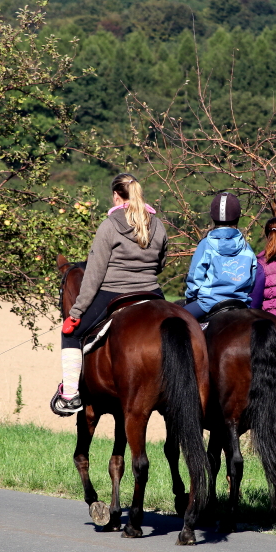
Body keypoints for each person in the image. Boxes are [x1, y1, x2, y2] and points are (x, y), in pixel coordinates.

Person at [52, 173, 167, 414]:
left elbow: (93, 276)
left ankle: (70, 395)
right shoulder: (158, 225)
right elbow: (160, 264)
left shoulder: (109, 226)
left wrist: (76, 313)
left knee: (71, 334)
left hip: (114, 293)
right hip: (153, 293)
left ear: (116, 196)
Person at [182, 192, 257, 319]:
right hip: (240, 303)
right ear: (238, 216)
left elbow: (195, 278)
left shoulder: (205, 245)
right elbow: (252, 280)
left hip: (208, 304)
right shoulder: (246, 247)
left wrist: (191, 297)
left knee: (175, 320)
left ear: (212, 216)